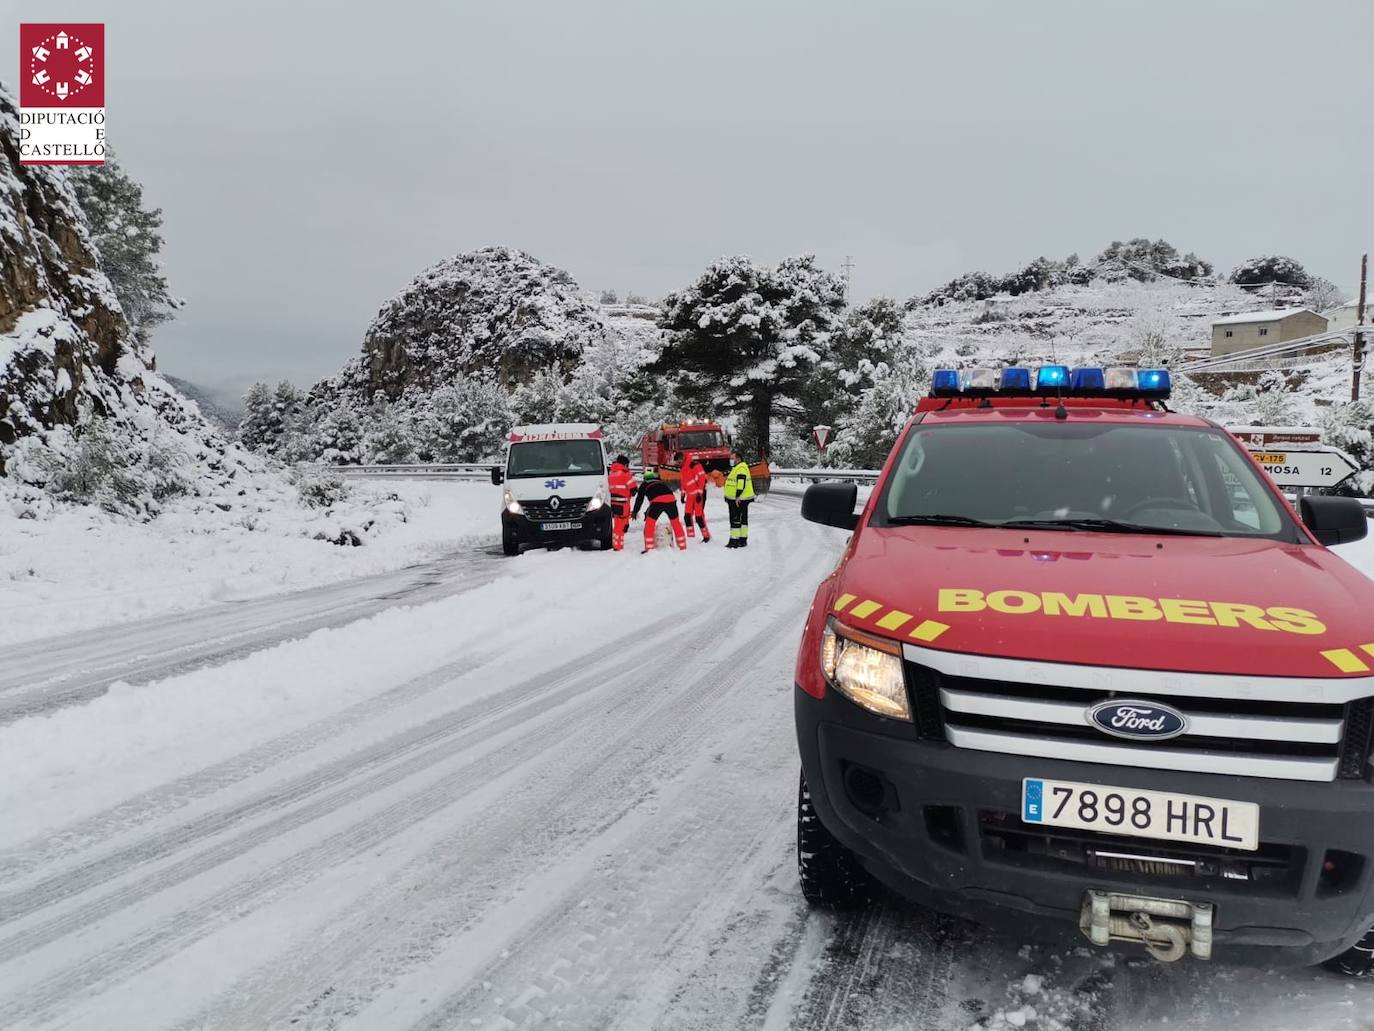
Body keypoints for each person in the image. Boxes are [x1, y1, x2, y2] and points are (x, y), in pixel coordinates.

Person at [632, 467, 687, 553]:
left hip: (657, 502)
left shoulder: (644, 484)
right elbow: (658, 497)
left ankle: (649, 548)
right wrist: (648, 511)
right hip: (671, 500)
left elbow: (639, 500)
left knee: (650, 524)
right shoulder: (660, 482)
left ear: (644, 477)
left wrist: (635, 511)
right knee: (676, 523)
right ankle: (683, 546)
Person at [674, 451, 711, 543]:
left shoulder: (694, 465)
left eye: (678, 462)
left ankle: (706, 536)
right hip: (690, 496)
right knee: (687, 517)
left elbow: (702, 479)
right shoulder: (683, 468)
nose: (678, 464)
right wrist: (682, 494)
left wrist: (699, 493)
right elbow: (683, 482)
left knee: (699, 517)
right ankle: (691, 538)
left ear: (682, 458)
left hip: (699, 495)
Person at [723, 448, 755, 548]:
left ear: (738, 459)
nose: (731, 460)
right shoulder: (739, 467)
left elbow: (741, 483)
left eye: (732, 458)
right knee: (743, 519)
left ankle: (734, 541)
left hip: (738, 499)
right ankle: (742, 539)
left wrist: (737, 496)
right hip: (741, 498)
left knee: (735, 519)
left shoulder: (740, 468)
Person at [607, 454, 637, 552]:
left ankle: (616, 544)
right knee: (621, 525)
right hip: (623, 503)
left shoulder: (611, 474)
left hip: (614, 503)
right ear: (624, 464)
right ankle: (618, 546)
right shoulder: (625, 473)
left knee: (617, 524)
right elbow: (633, 489)